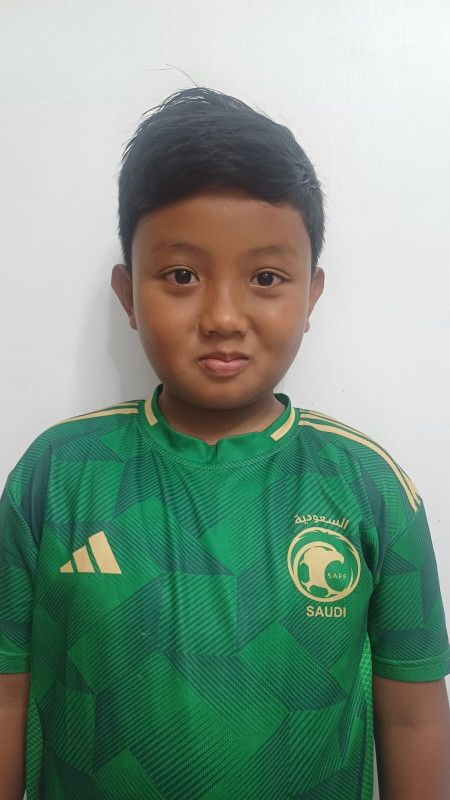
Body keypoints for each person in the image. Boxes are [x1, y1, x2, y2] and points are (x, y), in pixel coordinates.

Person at [0, 87, 449, 800]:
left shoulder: (370, 489)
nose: (223, 317)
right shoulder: (54, 477)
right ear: (128, 294)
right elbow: (7, 696)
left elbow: (413, 718)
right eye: (181, 276)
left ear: (311, 295)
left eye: (266, 278)